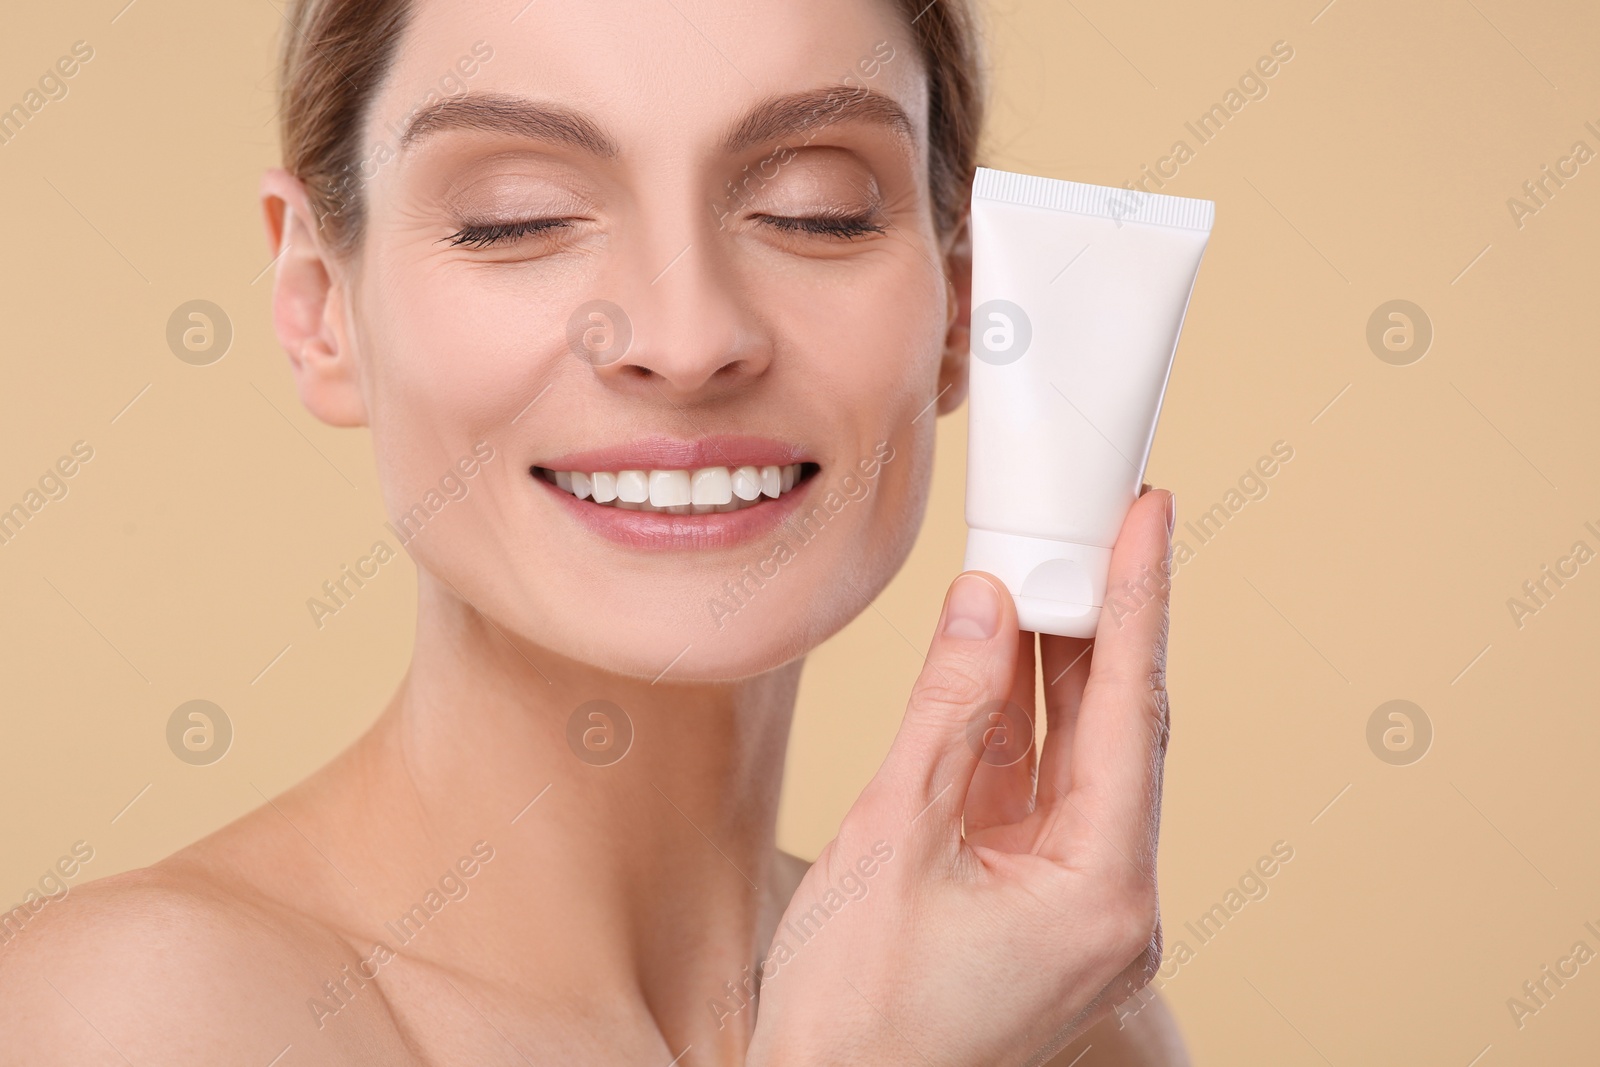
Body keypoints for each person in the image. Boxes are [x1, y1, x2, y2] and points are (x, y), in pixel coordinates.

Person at [0, 0, 1187, 1062]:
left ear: (960, 309)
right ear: (316, 305)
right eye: (518, 219)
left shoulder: (1044, 1013)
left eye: (811, 211)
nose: (684, 333)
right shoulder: (138, 1008)